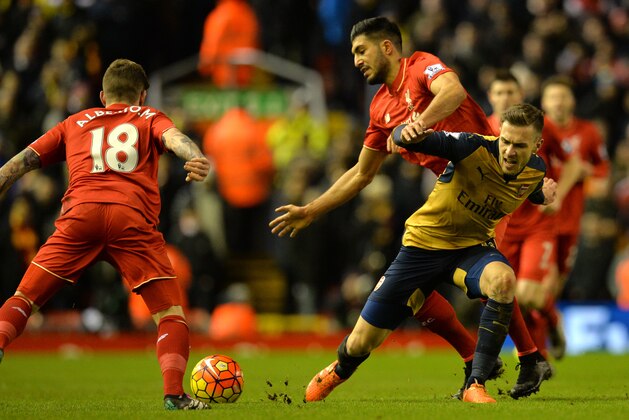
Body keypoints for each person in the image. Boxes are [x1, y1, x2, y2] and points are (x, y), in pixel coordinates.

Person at [270, 17, 549, 399]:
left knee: (495, 283)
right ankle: (476, 358)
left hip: (486, 180)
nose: (355, 61)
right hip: (443, 193)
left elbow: (452, 91)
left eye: (360, 50)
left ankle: (525, 359)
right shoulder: (380, 107)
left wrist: (419, 125)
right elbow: (361, 173)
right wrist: (312, 210)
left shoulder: (419, 66)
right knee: (416, 298)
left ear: (387, 47)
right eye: (352, 54)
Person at [301, 103, 557, 404]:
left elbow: (533, 188)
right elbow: (420, 139)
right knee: (360, 343)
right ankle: (338, 370)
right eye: (506, 141)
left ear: (537, 146)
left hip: (471, 250)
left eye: (520, 145)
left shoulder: (535, 170)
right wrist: (403, 132)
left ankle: (476, 383)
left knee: (502, 280)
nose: (510, 151)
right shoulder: (471, 147)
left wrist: (543, 195)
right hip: (422, 247)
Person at [0, 59, 211, 410]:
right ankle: (174, 395)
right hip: (131, 220)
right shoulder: (149, 117)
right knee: (170, 315)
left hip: (79, 217)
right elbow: (176, 139)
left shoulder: (74, 122)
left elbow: (15, 165)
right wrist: (196, 157)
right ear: (142, 96)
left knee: (24, 299)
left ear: (102, 95)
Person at [539, 75, 610, 359]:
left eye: (563, 96)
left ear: (572, 101)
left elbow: (603, 182)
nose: (558, 102)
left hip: (569, 222)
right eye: (553, 97)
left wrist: (584, 172)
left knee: (550, 290)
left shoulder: (589, 132)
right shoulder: (535, 132)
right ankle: (537, 352)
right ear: (544, 103)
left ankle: (550, 327)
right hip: (538, 221)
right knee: (538, 285)